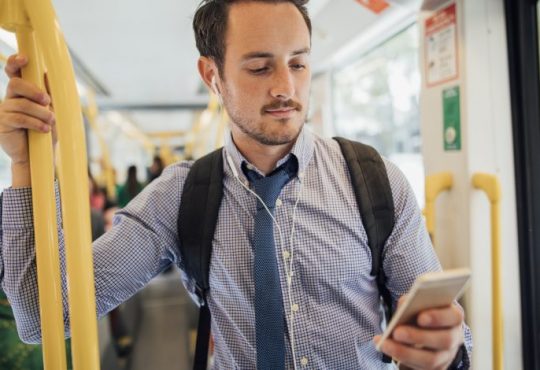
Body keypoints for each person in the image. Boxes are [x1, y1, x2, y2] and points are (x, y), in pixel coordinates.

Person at [0, 1, 472, 369]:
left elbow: (450, 337)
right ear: (212, 75)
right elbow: (45, 315)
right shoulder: (180, 197)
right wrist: (26, 165)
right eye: (260, 67)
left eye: (300, 64)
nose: (286, 87)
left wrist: (444, 349)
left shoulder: (374, 180)